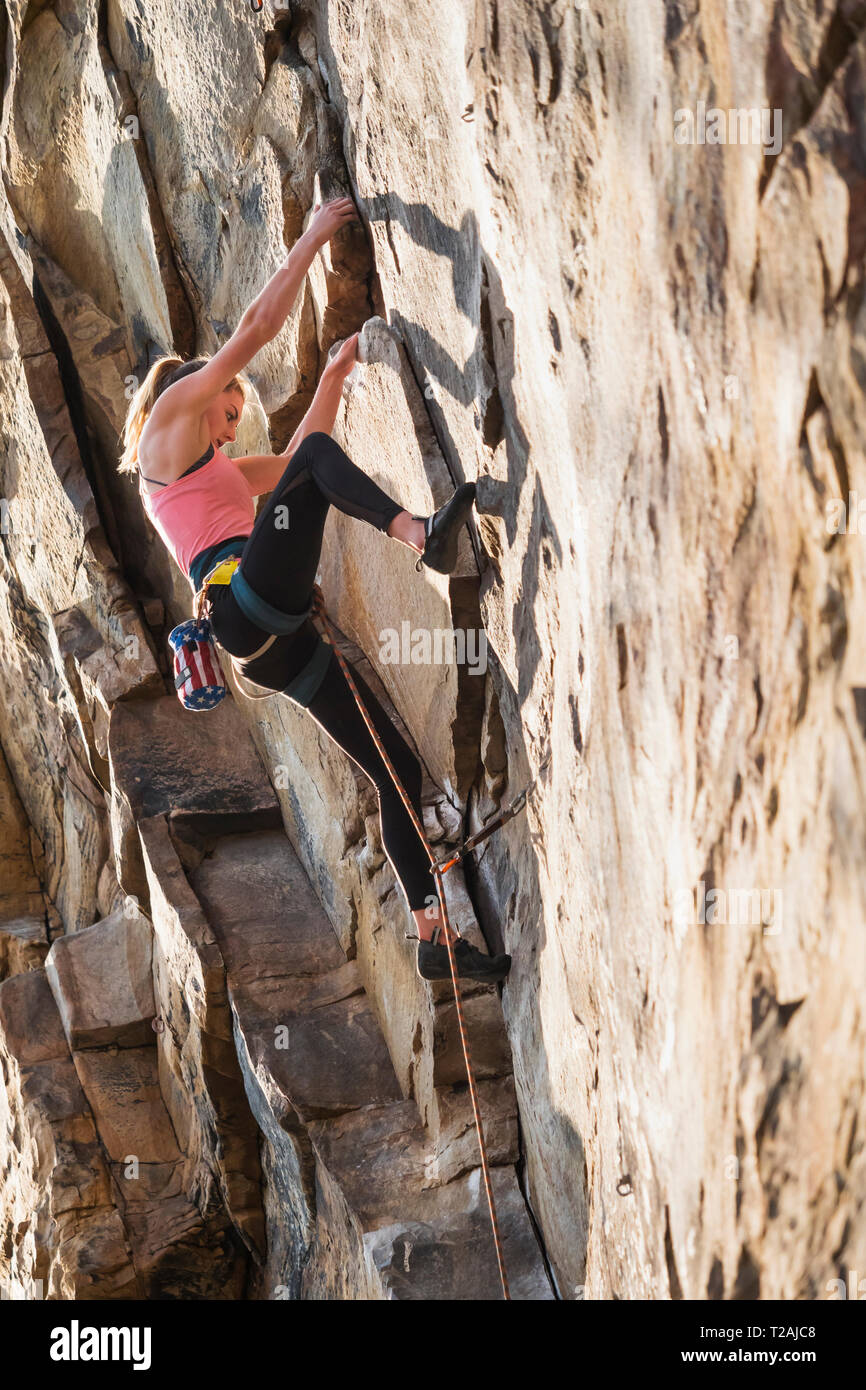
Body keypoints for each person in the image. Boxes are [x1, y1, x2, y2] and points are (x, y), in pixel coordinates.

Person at [119, 196, 511, 983]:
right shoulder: (167, 423)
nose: (229, 430)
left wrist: (334, 373)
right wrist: (307, 243)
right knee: (314, 463)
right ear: (199, 391)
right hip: (244, 610)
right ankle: (419, 538)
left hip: (270, 647)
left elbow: (303, 456)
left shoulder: (214, 469)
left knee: (393, 767)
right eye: (227, 411)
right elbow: (257, 332)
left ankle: (431, 933)